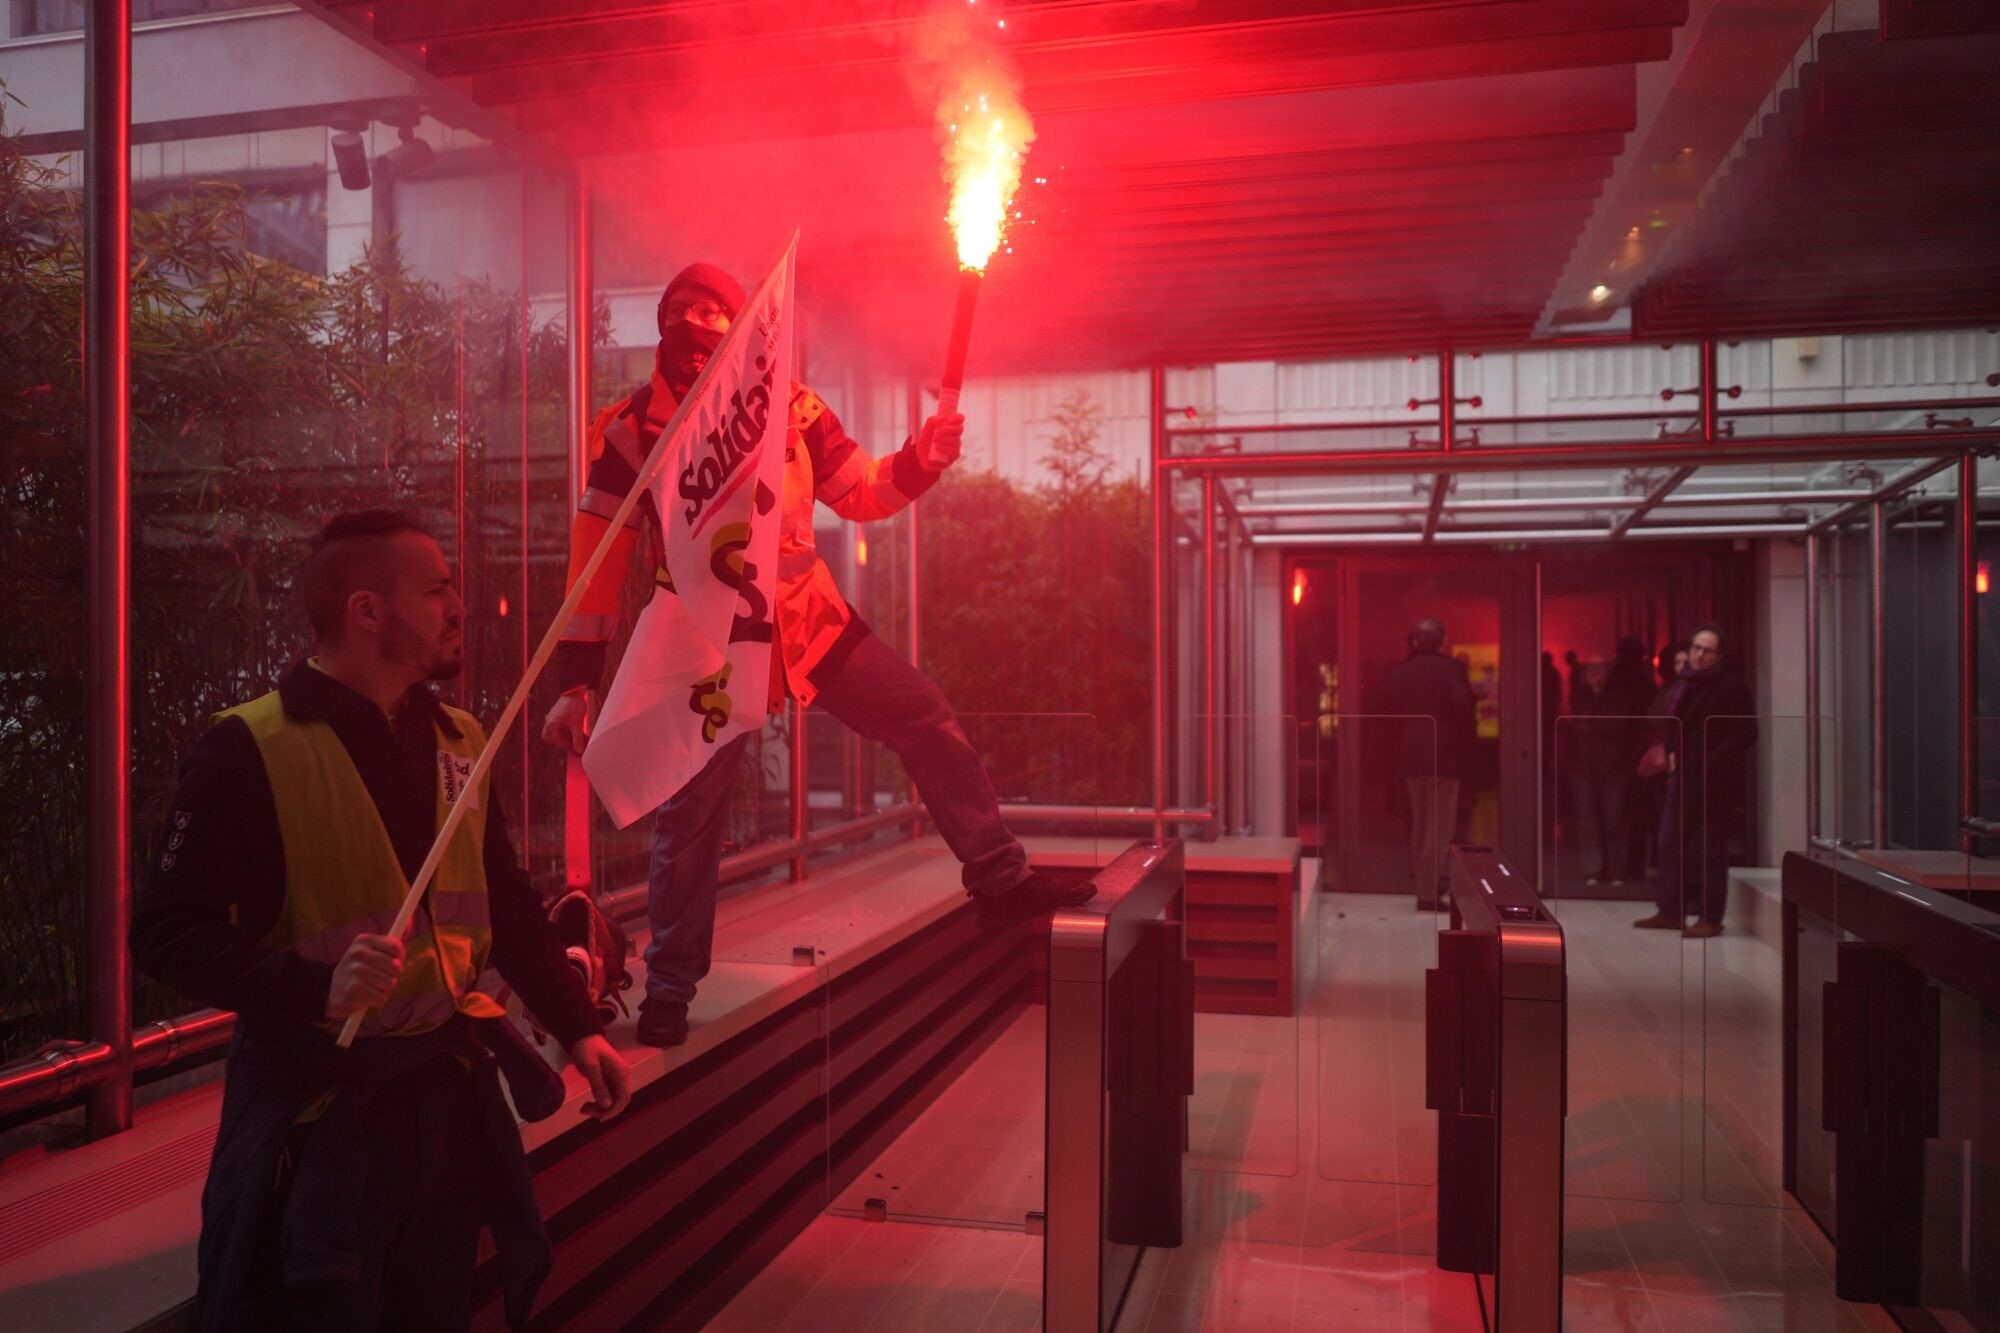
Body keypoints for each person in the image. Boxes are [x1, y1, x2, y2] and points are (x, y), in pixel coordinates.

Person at [541, 262, 1085, 1048]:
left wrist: (922, 456)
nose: (697, 321)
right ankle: (667, 988)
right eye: (681, 308)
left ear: (742, 328)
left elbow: (863, 490)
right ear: (660, 324)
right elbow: (596, 562)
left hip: (808, 620)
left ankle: (999, 877)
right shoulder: (628, 430)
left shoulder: (793, 408)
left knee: (924, 715)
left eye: (714, 310)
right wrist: (576, 683)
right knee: (690, 819)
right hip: (707, 648)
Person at [131, 509, 633, 1332]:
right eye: (436, 589)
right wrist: (313, 989)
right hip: (316, 1116)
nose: (458, 606)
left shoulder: (459, 738)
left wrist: (581, 1029)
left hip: (442, 1104)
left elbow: (504, 900)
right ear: (368, 611)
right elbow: (163, 932)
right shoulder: (249, 747)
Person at [1634, 623, 1757, 937]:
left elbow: (1747, 731)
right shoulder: (1683, 684)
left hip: (1712, 779)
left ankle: (1710, 916)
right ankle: (1671, 911)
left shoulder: (1730, 687)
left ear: (1719, 655)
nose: (1700, 655)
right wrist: (1673, 753)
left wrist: (1712, 759)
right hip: (1683, 775)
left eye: (1708, 650)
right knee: (1669, 842)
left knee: (1710, 848)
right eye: (1696, 648)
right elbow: (1678, 725)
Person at [1364, 617, 1477, 908]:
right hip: (1445, 757)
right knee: (1439, 827)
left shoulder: (1402, 671)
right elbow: (1464, 709)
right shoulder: (1452, 669)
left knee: (1420, 826)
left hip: (1411, 758)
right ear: (1442, 640)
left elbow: (1378, 707)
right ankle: (1429, 893)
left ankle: (1423, 885)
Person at [1562, 651, 1648, 887]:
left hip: (1614, 766)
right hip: (1582, 766)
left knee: (1614, 819)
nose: (1594, 674)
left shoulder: (1618, 696)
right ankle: (1592, 870)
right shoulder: (1579, 694)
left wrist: (1591, 724)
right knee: (1587, 821)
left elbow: (1616, 726)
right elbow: (1575, 724)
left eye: (1599, 669)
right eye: (1590, 669)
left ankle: (1616, 871)